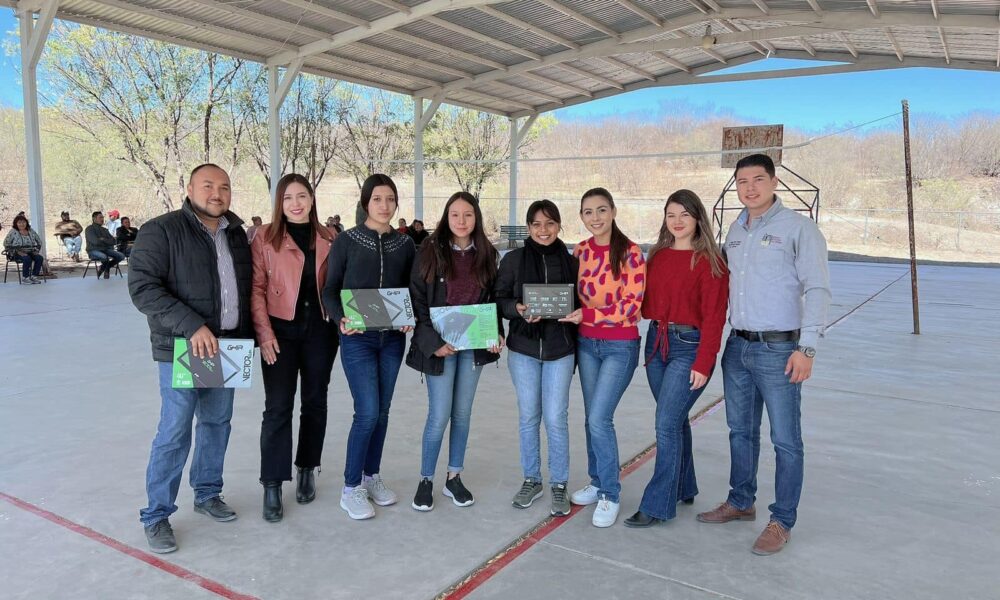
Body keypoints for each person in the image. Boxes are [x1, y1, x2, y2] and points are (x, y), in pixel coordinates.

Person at [696, 154, 830, 556]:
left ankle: (782, 519)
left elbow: (818, 289)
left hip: (780, 349)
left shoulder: (799, 229)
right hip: (738, 347)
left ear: (774, 182)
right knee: (740, 432)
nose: (749, 188)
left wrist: (807, 348)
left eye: (758, 179)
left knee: (786, 440)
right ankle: (741, 501)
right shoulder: (734, 231)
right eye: (742, 181)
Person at [128, 163, 253, 554]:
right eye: (208, 185)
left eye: (225, 187)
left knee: (217, 422)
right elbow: (143, 288)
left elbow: (245, 289)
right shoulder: (161, 230)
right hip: (183, 347)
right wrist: (192, 325)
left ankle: (207, 493)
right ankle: (157, 514)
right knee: (176, 428)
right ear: (189, 188)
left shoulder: (236, 234)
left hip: (227, 346)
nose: (217, 193)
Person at [623, 190, 729, 529]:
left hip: (689, 347)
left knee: (666, 423)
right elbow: (638, 300)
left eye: (684, 214)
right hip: (657, 343)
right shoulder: (657, 256)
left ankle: (657, 504)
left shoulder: (711, 261)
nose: (678, 221)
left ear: (698, 217)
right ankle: (685, 485)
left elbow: (714, 317)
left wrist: (703, 361)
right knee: (676, 418)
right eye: (671, 215)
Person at [322, 174, 416, 521]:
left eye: (390, 199)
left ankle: (371, 476)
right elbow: (330, 290)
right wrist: (339, 318)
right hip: (358, 339)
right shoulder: (346, 241)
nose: (384, 205)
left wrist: (410, 317)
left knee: (384, 411)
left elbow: (411, 291)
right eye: (377, 199)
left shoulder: (405, 245)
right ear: (365, 203)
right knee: (367, 412)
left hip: (392, 339)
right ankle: (351, 488)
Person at [407, 192, 503, 512]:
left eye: (468, 215)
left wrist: (495, 333)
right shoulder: (429, 252)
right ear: (446, 218)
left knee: (462, 414)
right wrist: (433, 343)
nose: (461, 221)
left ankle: (454, 477)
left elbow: (492, 302)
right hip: (441, 347)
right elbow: (418, 304)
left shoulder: (487, 254)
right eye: (455, 215)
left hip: (472, 346)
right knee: (439, 415)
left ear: (476, 218)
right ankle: (425, 479)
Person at [252, 174, 339, 523]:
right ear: (279, 202)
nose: (296, 203)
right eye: (288, 198)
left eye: (302, 195)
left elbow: (339, 285)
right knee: (277, 408)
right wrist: (264, 333)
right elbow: (256, 288)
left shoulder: (330, 237)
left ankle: (307, 467)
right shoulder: (263, 237)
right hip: (280, 333)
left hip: (320, 331)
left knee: (315, 402)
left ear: (312, 198)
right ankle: (272, 483)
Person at [560, 187, 646, 528]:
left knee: (599, 418)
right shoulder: (580, 251)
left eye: (601, 210)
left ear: (613, 211)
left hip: (619, 346)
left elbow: (630, 307)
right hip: (587, 345)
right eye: (588, 212)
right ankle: (597, 482)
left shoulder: (631, 253)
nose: (595, 218)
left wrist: (588, 316)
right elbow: (567, 296)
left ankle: (610, 492)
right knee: (590, 419)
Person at [495, 199, 578, 517]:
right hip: (524, 351)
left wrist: (574, 316)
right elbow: (499, 299)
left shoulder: (571, 262)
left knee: (556, 419)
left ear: (559, 226)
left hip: (560, 351)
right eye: (537, 224)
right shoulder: (513, 260)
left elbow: (579, 301)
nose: (544, 230)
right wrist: (516, 309)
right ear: (528, 227)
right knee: (529, 417)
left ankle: (559, 484)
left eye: (550, 223)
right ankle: (532, 479)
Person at [4, 214, 44, 284]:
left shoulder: (30, 230)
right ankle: (25, 277)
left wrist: (36, 251)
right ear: (16, 224)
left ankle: (34, 276)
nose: (22, 224)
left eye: (23, 222)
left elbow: (39, 242)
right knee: (27, 258)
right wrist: (17, 251)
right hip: (16, 253)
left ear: (26, 223)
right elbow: (6, 244)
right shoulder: (13, 232)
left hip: (30, 251)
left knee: (39, 258)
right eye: (19, 222)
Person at [85, 211, 125, 279]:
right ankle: (106, 271)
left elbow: (113, 241)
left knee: (121, 256)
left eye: (103, 217)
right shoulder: (89, 229)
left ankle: (102, 268)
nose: (102, 219)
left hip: (105, 249)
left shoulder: (104, 230)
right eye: (100, 217)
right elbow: (95, 242)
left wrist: (103, 239)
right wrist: (106, 241)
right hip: (93, 250)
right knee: (104, 257)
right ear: (94, 219)